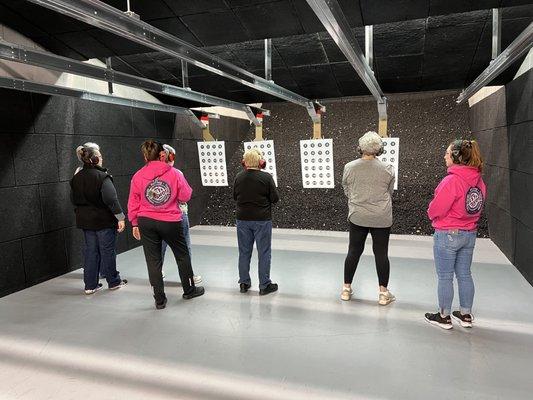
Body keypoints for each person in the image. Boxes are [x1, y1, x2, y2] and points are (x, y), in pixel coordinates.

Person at [128, 140, 204, 310]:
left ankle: (159, 299)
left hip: (146, 222)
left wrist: (134, 223)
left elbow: (133, 201)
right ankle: (189, 290)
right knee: (182, 256)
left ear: (145, 156)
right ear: (163, 155)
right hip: (170, 221)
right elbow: (185, 196)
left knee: (153, 260)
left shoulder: (138, 175)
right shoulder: (175, 173)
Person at [424, 139, 486, 330]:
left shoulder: (451, 180)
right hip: (469, 234)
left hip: (448, 234)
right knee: (465, 274)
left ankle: (444, 316)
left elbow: (436, 209)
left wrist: (431, 213)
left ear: (456, 157)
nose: (445, 156)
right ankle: (465, 315)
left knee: (445, 277)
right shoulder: (479, 180)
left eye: (447, 153)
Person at [341, 131, 396, 305]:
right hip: (381, 216)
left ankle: (346, 289)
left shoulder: (349, 167)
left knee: (353, 251)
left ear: (360, 148)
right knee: (381, 254)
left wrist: (358, 199)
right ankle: (383, 293)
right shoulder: (388, 168)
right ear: (379, 149)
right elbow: (389, 192)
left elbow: (346, 189)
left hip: (358, 215)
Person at [70, 145, 127, 295]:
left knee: (91, 252)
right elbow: (111, 200)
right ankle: (113, 282)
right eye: (100, 157)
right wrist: (120, 217)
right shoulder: (102, 177)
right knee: (107, 251)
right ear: (94, 159)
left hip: (85, 222)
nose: (102, 159)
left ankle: (90, 285)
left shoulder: (76, 177)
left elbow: (73, 200)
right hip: (103, 221)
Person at [233, 148, 279, 295]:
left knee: (244, 252)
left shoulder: (238, 177)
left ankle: (244, 283)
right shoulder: (266, 178)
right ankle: (264, 285)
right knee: (264, 252)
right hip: (262, 220)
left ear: (244, 162)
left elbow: (235, 197)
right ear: (260, 162)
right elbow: (275, 199)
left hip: (242, 220)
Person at [160, 144, 202, 285]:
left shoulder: (148, 173)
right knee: (184, 246)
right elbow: (185, 195)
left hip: (156, 217)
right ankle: (188, 276)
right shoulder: (177, 173)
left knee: (159, 246)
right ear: (170, 157)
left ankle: (156, 273)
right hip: (177, 214)